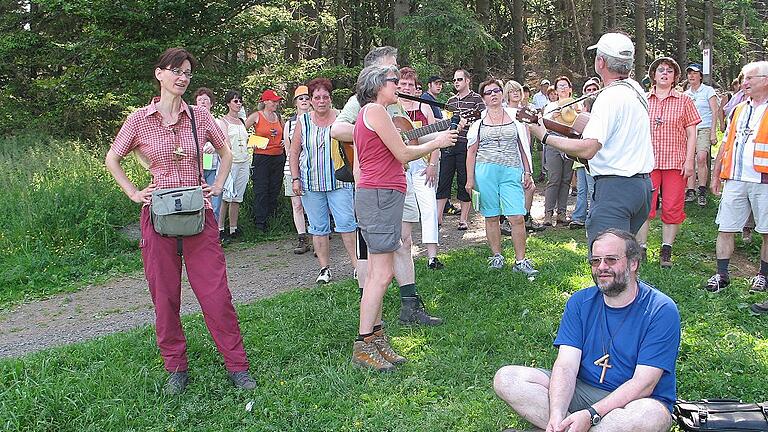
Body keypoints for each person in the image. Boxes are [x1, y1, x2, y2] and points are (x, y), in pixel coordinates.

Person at [104, 47, 255, 394]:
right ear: (159, 74)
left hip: (198, 218)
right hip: (157, 219)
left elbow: (226, 152)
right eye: (175, 70)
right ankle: (176, 368)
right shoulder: (139, 120)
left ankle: (237, 366)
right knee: (165, 297)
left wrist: (217, 186)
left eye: (187, 72)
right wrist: (132, 192)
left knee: (216, 296)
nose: (182, 77)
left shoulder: (200, 117)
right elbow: (113, 158)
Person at [494, 228, 680, 432]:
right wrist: (556, 412)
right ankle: (563, 425)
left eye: (611, 260)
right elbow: (566, 366)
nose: (601, 267)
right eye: (595, 261)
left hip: (635, 401)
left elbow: (643, 383)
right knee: (508, 378)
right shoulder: (580, 302)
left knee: (649, 416)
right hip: (581, 391)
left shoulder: (660, 309)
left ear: (633, 263)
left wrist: (591, 415)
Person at [351, 64, 457, 371]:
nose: (398, 85)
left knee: (377, 274)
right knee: (381, 275)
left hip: (382, 195)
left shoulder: (373, 113)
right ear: (376, 85)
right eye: (392, 81)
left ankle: (376, 338)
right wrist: (437, 142)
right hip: (380, 195)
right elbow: (403, 154)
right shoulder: (375, 111)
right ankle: (363, 344)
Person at [528, 32, 654, 251]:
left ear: (601, 62)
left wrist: (545, 136)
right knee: (623, 259)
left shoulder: (609, 97)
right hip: (641, 188)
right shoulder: (636, 90)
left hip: (615, 190)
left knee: (606, 263)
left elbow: (588, 148)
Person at [705, 61, 768, 305]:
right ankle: (722, 274)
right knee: (726, 226)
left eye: (750, 78)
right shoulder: (739, 108)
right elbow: (726, 142)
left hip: (763, 179)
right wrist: (717, 172)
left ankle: (763, 275)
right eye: (744, 78)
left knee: (766, 231)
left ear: (765, 80)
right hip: (735, 178)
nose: (745, 82)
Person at [465, 78, 539, 277]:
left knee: (517, 216)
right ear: (483, 98)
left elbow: (523, 146)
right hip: (485, 171)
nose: (493, 94)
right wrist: (469, 180)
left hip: (511, 170)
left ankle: (520, 260)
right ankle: (497, 256)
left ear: (502, 93)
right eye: (488, 92)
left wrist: (528, 171)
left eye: (496, 90)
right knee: (491, 217)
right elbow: (471, 152)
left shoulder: (515, 117)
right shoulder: (478, 123)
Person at [290, 78, 357, 283]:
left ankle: (357, 266)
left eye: (325, 97)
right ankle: (324, 269)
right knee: (318, 228)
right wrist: (295, 179)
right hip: (311, 183)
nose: (321, 101)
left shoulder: (341, 118)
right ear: (310, 100)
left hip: (339, 181)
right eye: (316, 97)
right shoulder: (303, 121)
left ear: (330, 99)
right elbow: (294, 152)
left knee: (346, 224)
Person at [635, 57, 701, 268]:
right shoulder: (642, 99)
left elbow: (692, 133)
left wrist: (689, 160)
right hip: (648, 162)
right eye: (660, 70)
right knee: (644, 206)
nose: (664, 73)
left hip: (675, 162)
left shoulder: (685, 101)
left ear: (675, 77)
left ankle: (666, 251)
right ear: (653, 75)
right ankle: (641, 249)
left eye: (669, 71)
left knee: (672, 207)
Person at [398, 67, 444, 270]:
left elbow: (437, 137)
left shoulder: (424, 107)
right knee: (403, 212)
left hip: (422, 164)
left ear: (416, 87)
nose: (406, 88)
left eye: (410, 84)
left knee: (429, 207)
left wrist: (433, 164)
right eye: (403, 84)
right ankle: (403, 252)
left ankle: (432, 256)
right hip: (399, 165)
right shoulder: (392, 108)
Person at [439, 69, 486, 231]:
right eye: (454, 80)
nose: (456, 82)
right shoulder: (451, 101)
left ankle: (463, 219)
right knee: (443, 180)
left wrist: (469, 124)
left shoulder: (477, 99)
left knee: (464, 180)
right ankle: (438, 219)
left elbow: (483, 120)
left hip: (466, 145)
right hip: (449, 144)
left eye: (459, 79)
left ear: (467, 80)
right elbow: (446, 121)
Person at [502, 79, 545, 233]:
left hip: (525, 153)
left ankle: (524, 218)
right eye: (512, 91)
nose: (515, 93)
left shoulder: (525, 111)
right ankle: (511, 220)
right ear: (507, 94)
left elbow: (536, 129)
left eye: (518, 90)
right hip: (510, 156)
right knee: (521, 188)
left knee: (529, 187)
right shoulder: (504, 112)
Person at [245, 89, 285, 232]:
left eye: (277, 101)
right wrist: (253, 141)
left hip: (278, 157)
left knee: (275, 188)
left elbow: (285, 134)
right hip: (261, 157)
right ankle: (259, 224)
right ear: (265, 101)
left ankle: (273, 220)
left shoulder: (279, 117)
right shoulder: (256, 116)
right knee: (261, 189)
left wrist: (285, 142)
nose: (276, 103)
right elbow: (241, 133)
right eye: (273, 101)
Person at [542, 76, 578, 227]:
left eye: (565, 86)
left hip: (570, 142)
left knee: (566, 179)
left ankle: (561, 213)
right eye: (559, 86)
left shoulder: (577, 104)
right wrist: (553, 117)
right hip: (554, 143)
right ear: (555, 91)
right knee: (554, 178)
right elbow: (543, 124)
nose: (563, 88)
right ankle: (548, 214)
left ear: (570, 89)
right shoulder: (551, 106)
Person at [683, 63, 720, 207]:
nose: (691, 75)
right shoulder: (686, 94)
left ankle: (702, 190)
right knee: (689, 159)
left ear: (700, 76)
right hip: (689, 129)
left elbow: (715, 111)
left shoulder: (708, 91)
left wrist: (713, 132)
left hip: (704, 128)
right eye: (689, 73)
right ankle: (690, 190)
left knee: (701, 157)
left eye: (694, 73)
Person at [217, 90, 251, 240]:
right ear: (228, 103)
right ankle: (220, 228)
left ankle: (233, 228)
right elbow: (224, 143)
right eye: (235, 101)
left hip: (244, 160)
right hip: (231, 162)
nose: (238, 104)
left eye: (240, 101)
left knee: (237, 196)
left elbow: (246, 140)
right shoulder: (223, 121)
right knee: (226, 196)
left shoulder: (242, 121)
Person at [569, 79, 601, 230]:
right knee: (582, 189)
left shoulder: (601, 116)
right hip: (580, 159)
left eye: (594, 88)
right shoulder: (581, 116)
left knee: (593, 189)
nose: (591, 91)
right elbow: (573, 136)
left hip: (594, 159)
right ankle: (579, 217)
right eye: (588, 89)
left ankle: (594, 216)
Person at [283, 85, 312, 254]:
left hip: (310, 168)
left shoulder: (315, 119)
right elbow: (288, 150)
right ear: (295, 102)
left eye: (307, 98)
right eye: (301, 98)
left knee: (312, 203)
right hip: (291, 169)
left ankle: (318, 236)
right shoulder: (289, 123)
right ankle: (302, 238)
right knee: (297, 204)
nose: (304, 101)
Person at [192, 87, 222, 222]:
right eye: (200, 100)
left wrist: (213, 146)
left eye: (206, 99)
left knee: (214, 201)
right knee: (196, 201)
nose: (203, 102)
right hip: (195, 167)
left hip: (213, 166)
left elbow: (224, 144)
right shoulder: (190, 121)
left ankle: (214, 232)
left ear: (212, 103)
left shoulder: (218, 122)